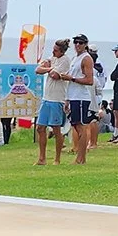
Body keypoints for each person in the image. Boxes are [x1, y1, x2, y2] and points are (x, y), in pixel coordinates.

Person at [34, 37, 71, 165]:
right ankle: (42, 158)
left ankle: (57, 158)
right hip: (47, 98)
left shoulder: (65, 61)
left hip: (57, 99)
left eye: (56, 50)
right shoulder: (52, 59)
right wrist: (50, 69)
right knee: (40, 128)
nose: (53, 52)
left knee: (56, 129)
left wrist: (49, 70)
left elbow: (56, 76)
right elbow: (38, 70)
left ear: (62, 51)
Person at [67, 34, 96, 164]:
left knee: (81, 127)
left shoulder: (86, 59)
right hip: (73, 96)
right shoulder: (75, 58)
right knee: (75, 125)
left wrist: (72, 79)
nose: (77, 45)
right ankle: (80, 156)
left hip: (80, 97)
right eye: (75, 42)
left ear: (85, 44)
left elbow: (89, 80)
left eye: (80, 42)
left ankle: (81, 157)